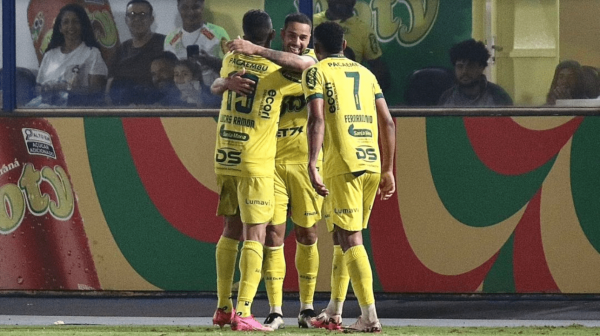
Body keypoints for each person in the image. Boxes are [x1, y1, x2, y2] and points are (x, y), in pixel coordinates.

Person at [227, 12, 322, 330]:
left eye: (303, 37)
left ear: (310, 41)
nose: (297, 42)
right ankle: (276, 309)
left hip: (303, 161)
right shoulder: (263, 66)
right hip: (270, 162)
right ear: (282, 34)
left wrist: (256, 50)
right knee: (272, 235)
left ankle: (307, 307)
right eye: (292, 36)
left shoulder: (308, 64)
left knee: (308, 233)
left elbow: (303, 65)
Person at [302, 21, 396, 333]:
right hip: (370, 163)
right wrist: (388, 169)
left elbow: (317, 118)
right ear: (344, 45)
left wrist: (312, 162)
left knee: (351, 238)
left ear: (316, 48)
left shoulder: (316, 71)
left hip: (343, 163)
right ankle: (334, 310)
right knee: (342, 236)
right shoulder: (367, 74)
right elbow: (388, 122)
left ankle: (369, 317)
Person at [210, 9, 297, 332]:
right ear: (272, 36)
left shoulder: (231, 60)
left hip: (225, 155)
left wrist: (222, 82)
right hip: (254, 160)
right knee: (255, 235)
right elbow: (307, 67)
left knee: (229, 229)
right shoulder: (278, 70)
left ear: (243, 35)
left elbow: (218, 83)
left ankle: (222, 308)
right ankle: (244, 312)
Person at [32, 3, 108, 107]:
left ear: (82, 25)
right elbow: (38, 89)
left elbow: (96, 91)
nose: (71, 26)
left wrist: (65, 88)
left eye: (75, 21)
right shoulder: (49, 55)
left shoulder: (92, 53)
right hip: (45, 111)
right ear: (60, 28)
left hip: (74, 114)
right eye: (66, 22)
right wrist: (46, 89)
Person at [313, 0, 391, 92]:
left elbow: (378, 68)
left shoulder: (363, 29)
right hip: (316, 85)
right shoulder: (312, 21)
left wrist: (363, 92)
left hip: (348, 89)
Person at [108, 0, 165, 106]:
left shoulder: (165, 44)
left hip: (157, 111)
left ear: (151, 19)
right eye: (132, 15)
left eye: (143, 15)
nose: (137, 19)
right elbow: (110, 84)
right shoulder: (121, 49)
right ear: (126, 20)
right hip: (124, 112)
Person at [164, 0, 230, 87]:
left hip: (212, 94)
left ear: (202, 6)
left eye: (195, 7)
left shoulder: (218, 33)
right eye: (185, 7)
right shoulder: (170, 37)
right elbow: (168, 72)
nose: (190, 12)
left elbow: (231, 67)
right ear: (178, 8)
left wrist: (211, 62)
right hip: (180, 96)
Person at [438, 39, 512, 107]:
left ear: (482, 67)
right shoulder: (447, 97)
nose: (464, 71)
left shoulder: (498, 96)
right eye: (460, 66)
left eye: (470, 66)